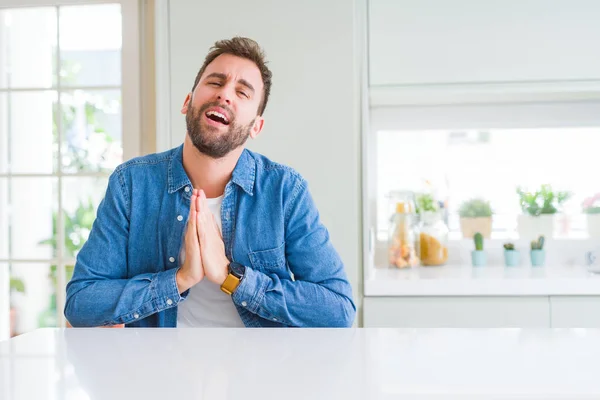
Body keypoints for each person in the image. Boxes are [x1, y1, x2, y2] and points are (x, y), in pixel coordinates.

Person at [64, 37, 356, 328]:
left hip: (261, 371)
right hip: (157, 369)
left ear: (256, 126)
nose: (224, 95)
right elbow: (81, 302)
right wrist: (180, 279)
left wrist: (232, 277)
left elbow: (338, 309)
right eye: (215, 83)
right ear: (187, 102)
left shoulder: (285, 191)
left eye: (242, 92)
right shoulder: (131, 184)